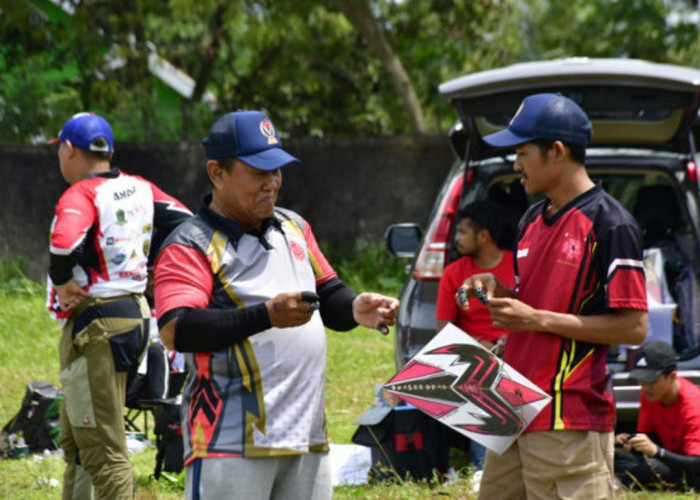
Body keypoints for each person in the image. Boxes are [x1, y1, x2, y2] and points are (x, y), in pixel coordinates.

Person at [153, 109, 399, 499]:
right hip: (229, 442)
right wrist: (265, 316)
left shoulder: (294, 227)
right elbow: (177, 329)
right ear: (216, 172)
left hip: (307, 436)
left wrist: (356, 308)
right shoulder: (190, 244)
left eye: (277, 171)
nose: (272, 184)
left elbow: (328, 293)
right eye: (258, 172)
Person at [458, 93, 649, 499]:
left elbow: (633, 327)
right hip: (510, 404)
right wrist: (500, 294)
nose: (515, 165)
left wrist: (535, 319)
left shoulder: (611, 224)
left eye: (523, 153)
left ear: (557, 151)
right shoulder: (530, 220)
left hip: (568, 416)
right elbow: (536, 303)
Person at [46, 112, 192, 499]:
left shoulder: (80, 193)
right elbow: (186, 222)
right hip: (134, 318)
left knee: (103, 450)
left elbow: (63, 244)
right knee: (78, 440)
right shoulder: (140, 187)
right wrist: (151, 270)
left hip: (98, 325)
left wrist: (62, 282)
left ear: (69, 149)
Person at [435, 199, 514, 476]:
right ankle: (485, 470)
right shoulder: (453, 273)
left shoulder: (516, 266)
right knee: (481, 376)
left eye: (462, 232)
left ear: (483, 235)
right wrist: (480, 346)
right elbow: (443, 331)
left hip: (515, 347)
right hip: (475, 353)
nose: (456, 239)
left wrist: (505, 342)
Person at [614, 340, 700, 491]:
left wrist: (657, 452)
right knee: (613, 454)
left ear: (672, 376)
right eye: (641, 381)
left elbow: (696, 463)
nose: (646, 387)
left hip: (692, 467)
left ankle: (626, 482)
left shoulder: (692, 405)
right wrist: (630, 441)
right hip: (669, 459)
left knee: (654, 469)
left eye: (652, 381)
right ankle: (628, 480)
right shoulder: (650, 395)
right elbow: (648, 437)